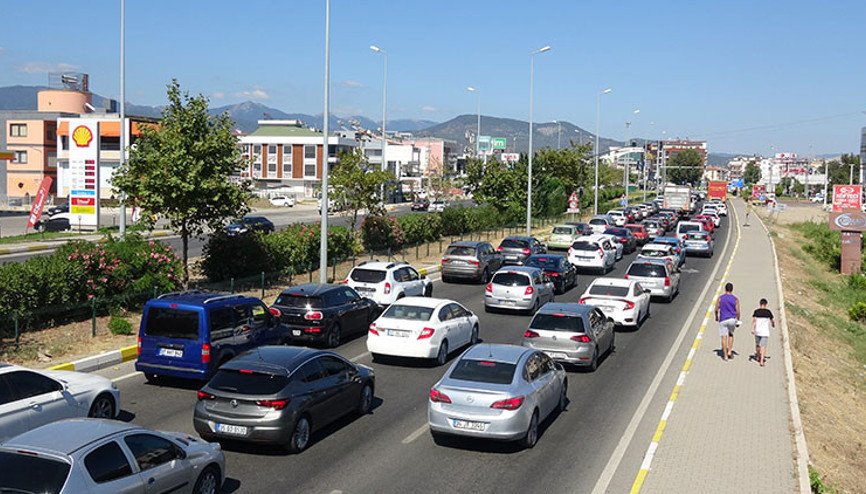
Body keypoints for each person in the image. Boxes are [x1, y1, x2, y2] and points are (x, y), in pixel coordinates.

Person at [715, 282, 740, 361]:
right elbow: (738, 311)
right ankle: (729, 351)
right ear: (732, 290)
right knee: (731, 334)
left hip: (723, 319)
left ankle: (725, 356)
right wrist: (738, 320)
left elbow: (716, 309)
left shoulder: (720, 298)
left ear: (725, 289)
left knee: (723, 337)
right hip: (732, 319)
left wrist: (716, 316)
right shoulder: (735, 299)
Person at [750, 298, 775, 367]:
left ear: (760, 304)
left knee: (757, 345)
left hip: (757, 331)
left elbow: (754, 321)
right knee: (763, 346)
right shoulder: (768, 312)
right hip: (765, 332)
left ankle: (758, 355)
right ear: (766, 305)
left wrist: (752, 328)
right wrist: (773, 324)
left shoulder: (756, 311)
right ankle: (761, 361)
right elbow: (772, 320)